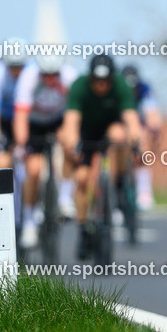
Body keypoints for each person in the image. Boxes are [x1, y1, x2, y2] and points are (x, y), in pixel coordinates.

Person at [58, 54, 142, 259]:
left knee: (120, 136)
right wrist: (73, 144)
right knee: (82, 179)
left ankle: (117, 181)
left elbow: (131, 119)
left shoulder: (121, 85)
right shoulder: (79, 86)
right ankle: (83, 228)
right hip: (86, 133)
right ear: (91, 77)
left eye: (106, 80)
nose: (101, 85)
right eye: (97, 80)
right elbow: (71, 121)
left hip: (109, 131)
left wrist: (136, 142)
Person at [12, 54, 78, 247]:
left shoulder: (70, 77)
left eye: (54, 75)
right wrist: (22, 144)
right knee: (33, 170)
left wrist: (72, 139)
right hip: (35, 124)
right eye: (45, 75)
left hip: (58, 121)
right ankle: (29, 221)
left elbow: (75, 113)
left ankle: (65, 197)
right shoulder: (28, 77)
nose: (50, 79)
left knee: (69, 143)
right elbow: (21, 115)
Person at [121, 64, 162, 210]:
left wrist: (153, 131)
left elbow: (152, 115)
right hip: (120, 126)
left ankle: (144, 191)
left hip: (138, 127)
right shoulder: (116, 90)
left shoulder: (144, 90)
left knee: (143, 144)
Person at [0, 39, 28, 170]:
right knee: (2, 161)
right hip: (3, 120)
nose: (16, 70)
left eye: (19, 66)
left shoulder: (31, 71)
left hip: (25, 119)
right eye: (12, 66)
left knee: (33, 164)